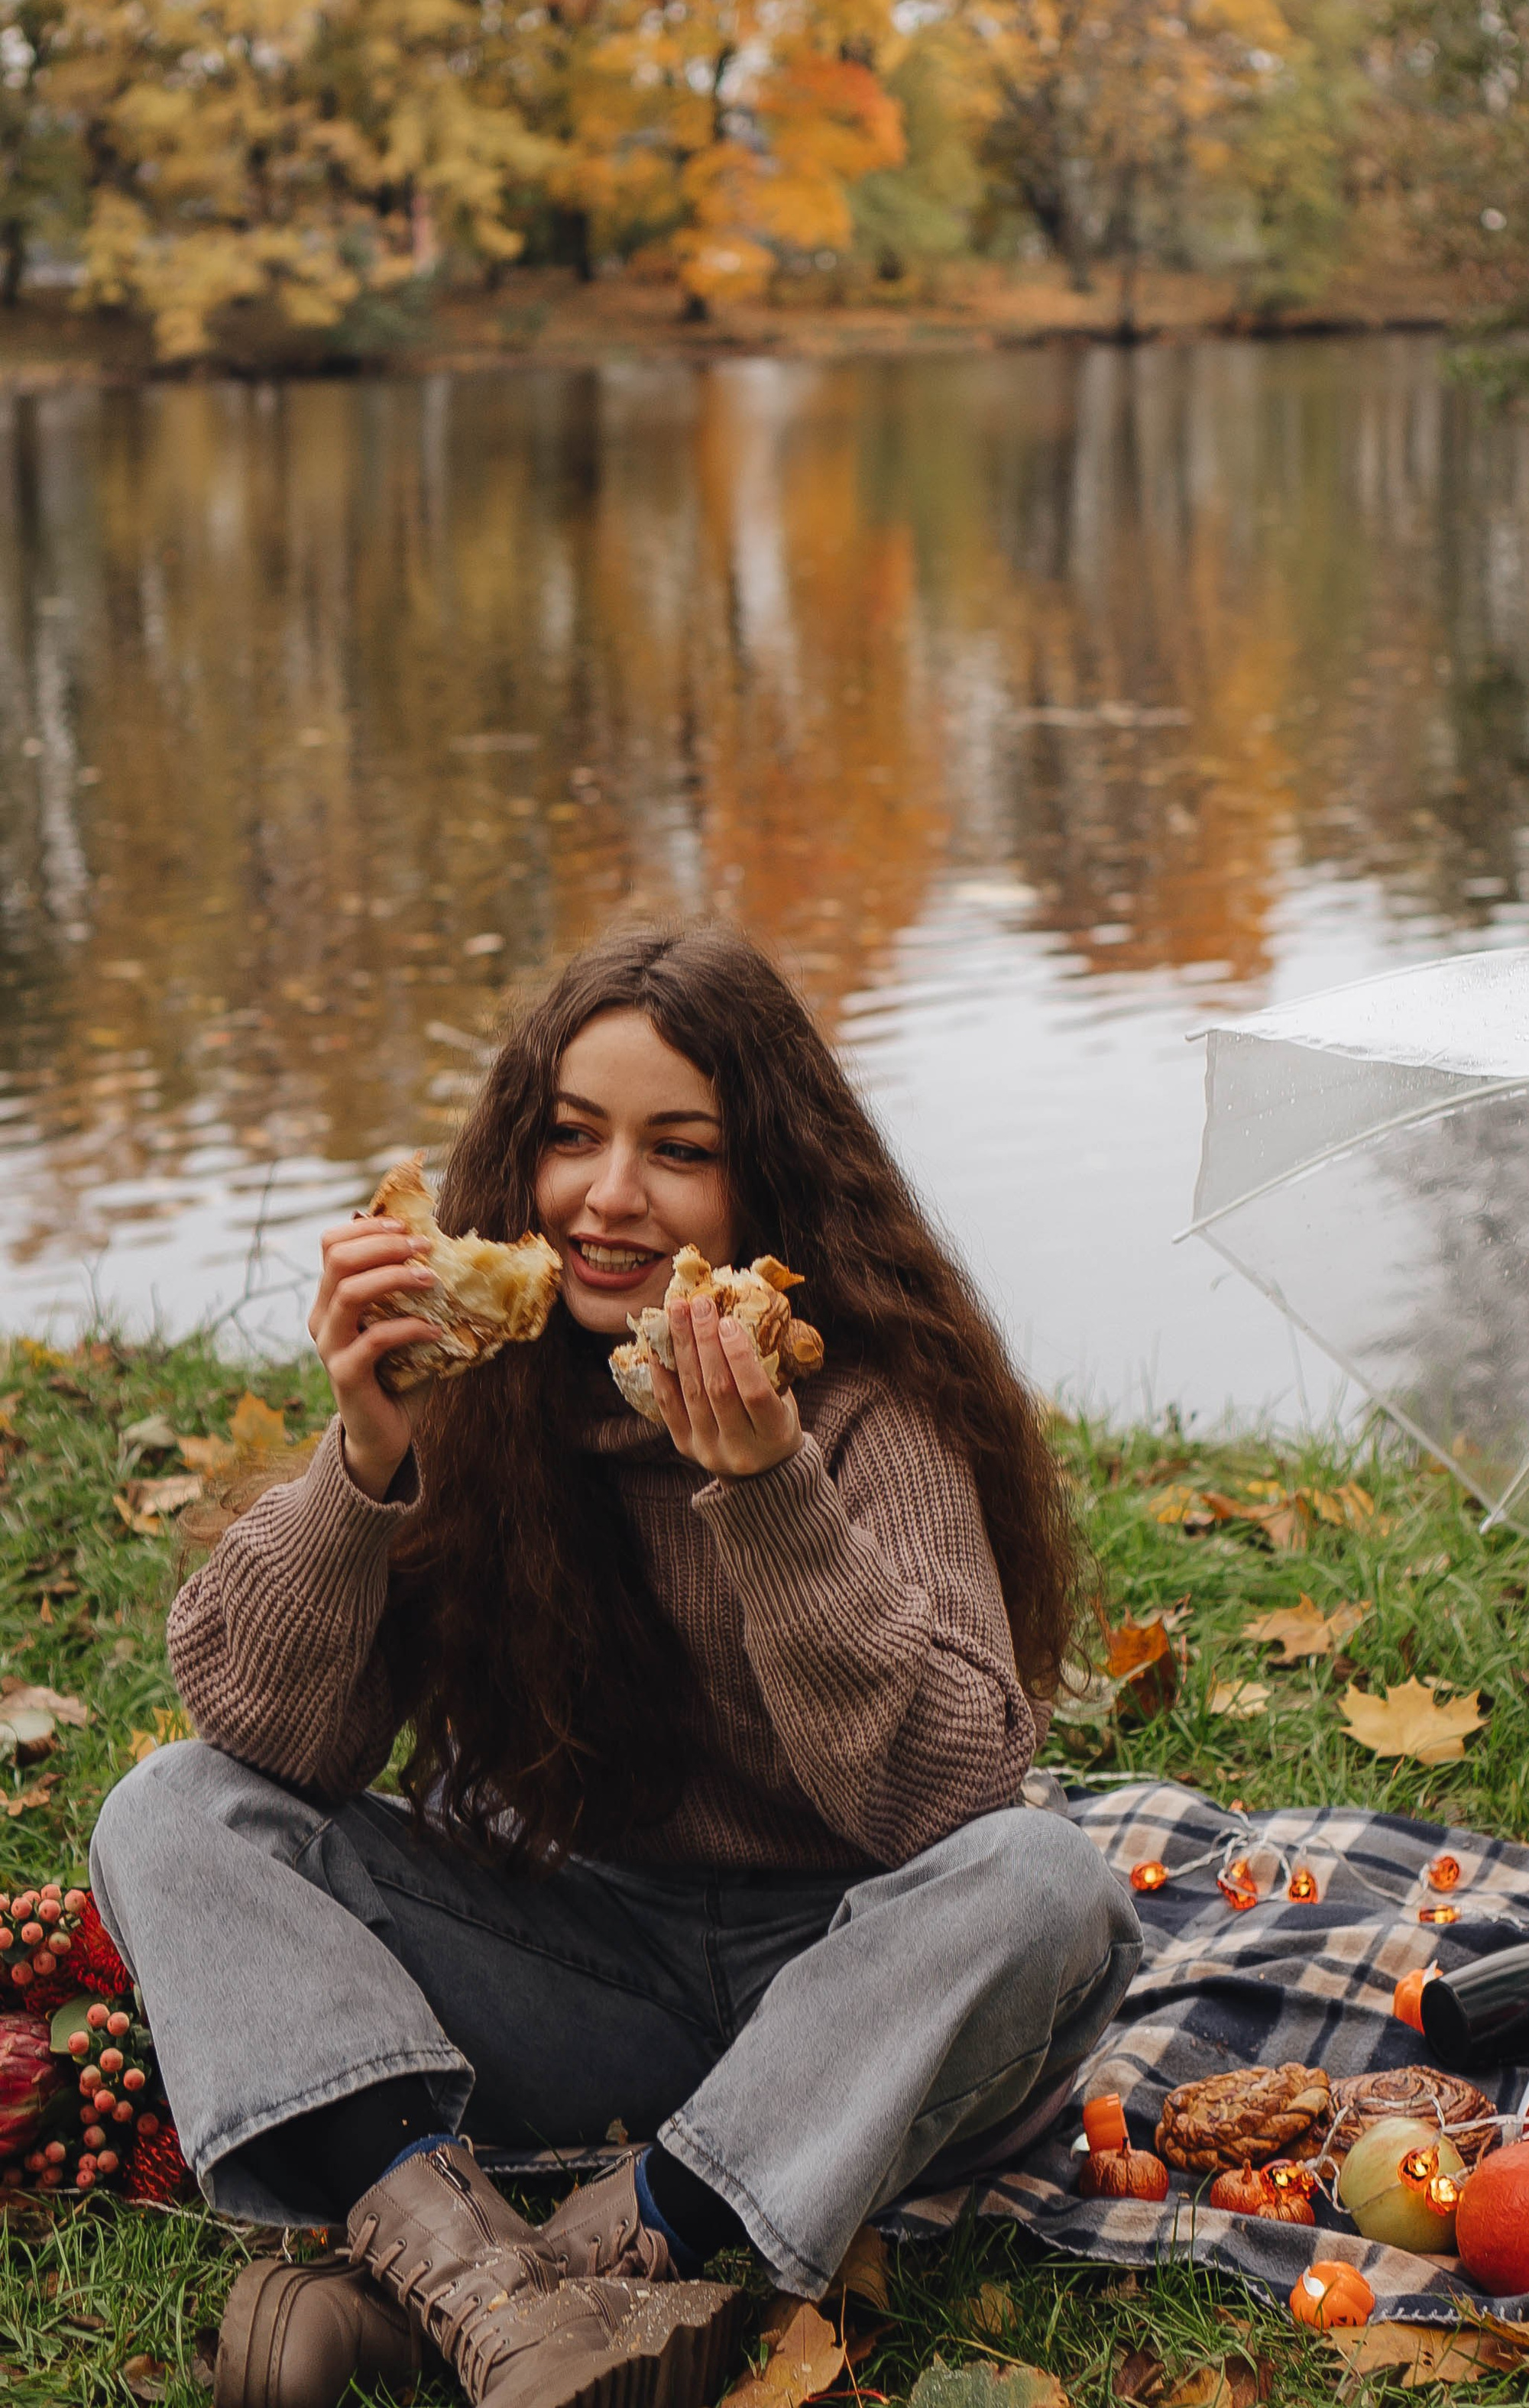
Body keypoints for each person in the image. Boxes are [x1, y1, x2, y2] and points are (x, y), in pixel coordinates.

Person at [91, 925, 1142, 2408]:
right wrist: (362, 1459)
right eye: (572, 1137)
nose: (606, 1195)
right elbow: (269, 1732)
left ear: (763, 1182)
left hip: (857, 1994)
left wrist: (774, 1492)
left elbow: (951, 1798)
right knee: (171, 1813)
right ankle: (473, 2277)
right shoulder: (474, 1387)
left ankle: (622, 2251)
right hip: (583, 1971)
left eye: (677, 1149)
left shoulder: (863, 1406)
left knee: (1048, 1885)